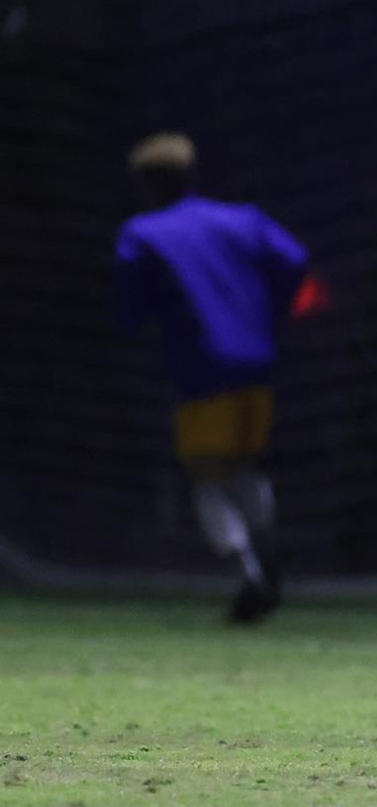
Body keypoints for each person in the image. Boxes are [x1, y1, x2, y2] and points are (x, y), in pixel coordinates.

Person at [112, 133, 313, 623]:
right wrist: (277, 312)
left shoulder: (144, 232)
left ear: (147, 183)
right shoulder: (242, 220)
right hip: (257, 361)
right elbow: (296, 263)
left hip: (202, 366)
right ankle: (266, 545)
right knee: (247, 466)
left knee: (207, 475)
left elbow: (127, 307)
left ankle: (250, 573)